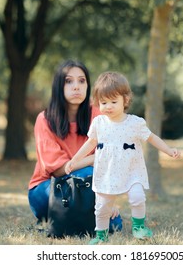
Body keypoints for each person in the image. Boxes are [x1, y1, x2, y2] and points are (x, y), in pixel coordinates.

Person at [65, 71, 181, 244]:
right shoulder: (99, 123)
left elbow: (151, 138)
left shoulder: (135, 123)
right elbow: (90, 144)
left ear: (125, 100)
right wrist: (74, 160)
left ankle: (139, 227)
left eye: (114, 101)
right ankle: (101, 235)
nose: (108, 106)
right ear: (98, 102)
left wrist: (169, 150)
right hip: (107, 172)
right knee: (102, 207)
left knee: (137, 196)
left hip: (131, 170)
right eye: (104, 102)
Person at [28, 60, 122, 236]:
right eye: (69, 81)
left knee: (115, 224)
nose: (76, 87)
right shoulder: (45, 119)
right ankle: (72, 217)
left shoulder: (98, 115)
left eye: (81, 81)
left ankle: (77, 217)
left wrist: (109, 200)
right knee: (84, 173)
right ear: (59, 86)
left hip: (88, 186)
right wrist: (93, 160)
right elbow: (57, 170)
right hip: (48, 188)